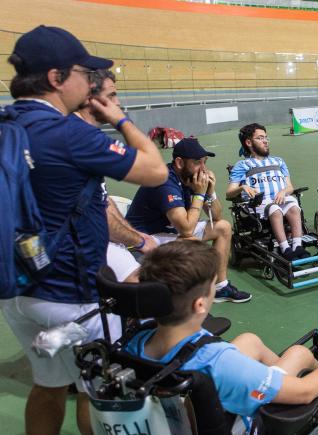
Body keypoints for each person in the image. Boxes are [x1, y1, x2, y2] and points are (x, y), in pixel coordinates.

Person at [1, 25, 168, 435]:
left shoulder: (8, 123)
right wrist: (120, 118)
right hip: (71, 297)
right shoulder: (69, 133)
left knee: (48, 385)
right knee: (99, 392)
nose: (90, 83)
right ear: (56, 79)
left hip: (19, 290)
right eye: (83, 73)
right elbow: (156, 170)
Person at [126, 240, 318, 430]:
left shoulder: (134, 341)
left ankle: (309, 388)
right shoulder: (219, 361)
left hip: (179, 409)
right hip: (236, 423)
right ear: (200, 305)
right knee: (299, 354)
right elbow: (304, 392)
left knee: (249, 341)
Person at [126, 137, 252, 303]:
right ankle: (190, 299)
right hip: (144, 238)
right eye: (198, 162)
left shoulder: (190, 177)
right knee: (190, 240)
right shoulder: (164, 181)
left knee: (223, 227)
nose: (203, 169)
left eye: (204, 162)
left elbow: (216, 216)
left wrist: (209, 192)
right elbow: (185, 229)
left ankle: (220, 287)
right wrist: (199, 194)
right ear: (179, 163)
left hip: (169, 233)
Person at [73, 69, 157, 283]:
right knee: (147, 293)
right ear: (89, 98)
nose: (117, 103)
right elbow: (155, 170)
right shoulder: (81, 137)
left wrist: (134, 235)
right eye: (111, 96)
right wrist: (121, 121)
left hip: (77, 243)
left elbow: (100, 199)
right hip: (74, 252)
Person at [227, 123, 309, 261]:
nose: (265, 141)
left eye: (266, 137)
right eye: (260, 138)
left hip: (281, 198)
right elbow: (229, 193)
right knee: (275, 209)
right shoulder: (242, 165)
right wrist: (241, 188)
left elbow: (289, 187)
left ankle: (297, 246)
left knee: (294, 208)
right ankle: (285, 249)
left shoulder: (278, 161)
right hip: (260, 204)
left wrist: (283, 192)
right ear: (248, 142)